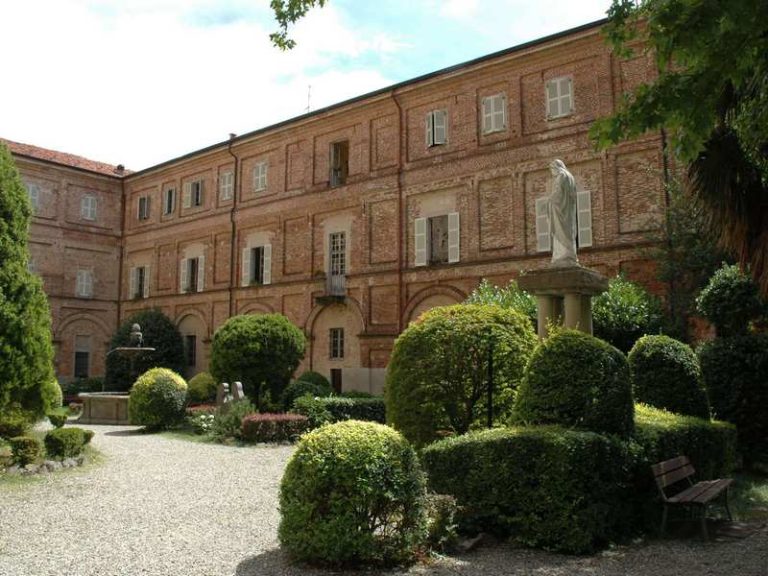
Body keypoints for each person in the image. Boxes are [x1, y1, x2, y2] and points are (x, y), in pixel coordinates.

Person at [548, 159, 578, 266]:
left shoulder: (561, 176)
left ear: (556, 167)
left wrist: (549, 201)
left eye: (551, 169)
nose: (551, 172)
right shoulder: (571, 177)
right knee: (568, 232)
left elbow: (558, 194)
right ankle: (570, 255)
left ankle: (561, 257)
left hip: (560, 211)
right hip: (568, 212)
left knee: (560, 233)